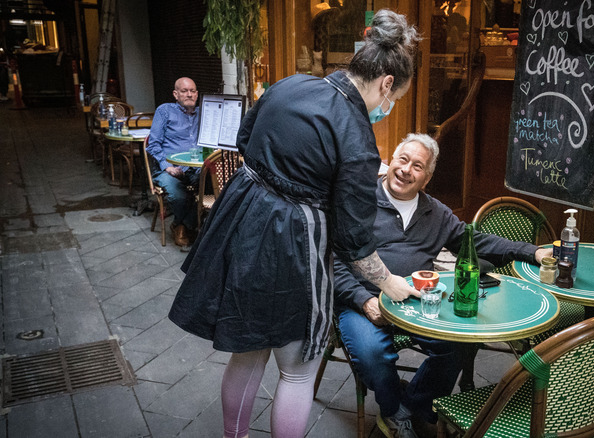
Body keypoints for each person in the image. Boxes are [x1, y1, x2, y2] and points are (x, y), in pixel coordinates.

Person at [168, 10, 421, 438]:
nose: (385, 108)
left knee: (247, 353)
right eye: (390, 100)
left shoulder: (290, 84)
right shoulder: (358, 139)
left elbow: (245, 141)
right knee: (298, 370)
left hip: (241, 219)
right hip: (293, 246)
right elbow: (354, 239)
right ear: (386, 83)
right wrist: (390, 284)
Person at [334, 133, 552, 438]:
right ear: (391, 161)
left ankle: (415, 405)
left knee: (460, 343)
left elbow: (478, 242)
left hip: (414, 301)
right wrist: (363, 301)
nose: (406, 169)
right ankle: (394, 410)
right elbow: (334, 261)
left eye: (418, 166)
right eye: (402, 159)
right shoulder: (360, 201)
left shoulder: (435, 213)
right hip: (363, 301)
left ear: (427, 178)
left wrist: (533, 252)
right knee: (372, 355)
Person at [146, 77, 201, 248]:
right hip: (168, 168)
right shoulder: (165, 111)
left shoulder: (204, 113)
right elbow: (153, 144)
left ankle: (181, 226)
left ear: (197, 94)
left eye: (192, 91)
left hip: (196, 168)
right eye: (184, 91)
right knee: (179, 195)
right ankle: (185, 227)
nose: (189, 94)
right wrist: (166, 166)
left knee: (215, 188)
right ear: (175, 94)